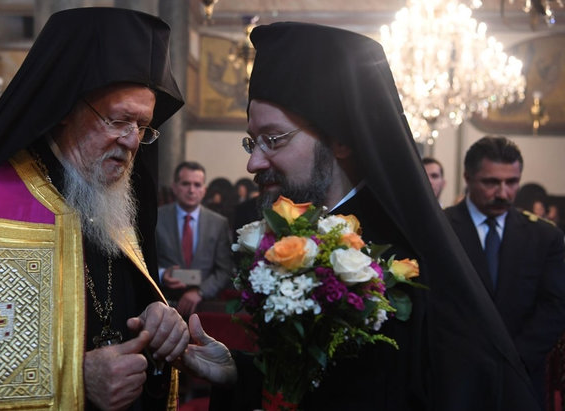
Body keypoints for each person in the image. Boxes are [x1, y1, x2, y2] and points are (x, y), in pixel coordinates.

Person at [0, 8, 235, 410]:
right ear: (64, 109)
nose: (132, 141)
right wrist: (76, 381)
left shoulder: (111, 200)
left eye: (143, 126)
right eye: (118, 120)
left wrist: (157, 319)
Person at [212, 22, 541, 410]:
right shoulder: (300, 241)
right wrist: (234, 369)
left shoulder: (402, 261)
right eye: (253, 140)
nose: (253, 162)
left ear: (341, 140)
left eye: (274, 139)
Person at [444, 136, 565, 407]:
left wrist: (514, 360)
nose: (503, 193)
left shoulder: (544, 237)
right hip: (455, 379)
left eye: (512, 182)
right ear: (468, 177)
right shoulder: (441, 230)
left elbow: (555, 306)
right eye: (491, 182)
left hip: (520, 379)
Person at [156, 161, 234, 317]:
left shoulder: (219, 223)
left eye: (197, 185)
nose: (191, 190)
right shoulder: (156, 217)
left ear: (204, 190)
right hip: (163, 303)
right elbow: (143, 260)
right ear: (175, 187)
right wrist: (162, 274)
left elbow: (225, 270)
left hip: (205, 307)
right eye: (186, 184)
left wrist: (200, 291)